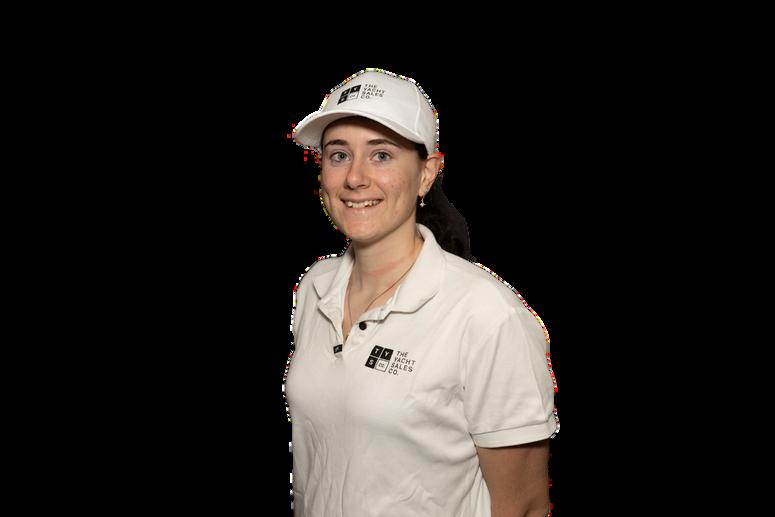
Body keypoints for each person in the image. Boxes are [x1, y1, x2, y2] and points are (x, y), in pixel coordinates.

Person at [284, 68, 559, 517]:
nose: (355, 178)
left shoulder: (487, 314)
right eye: (339, 155)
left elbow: (524, 505)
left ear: (427, 173)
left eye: (381, 155)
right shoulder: (316, 286)